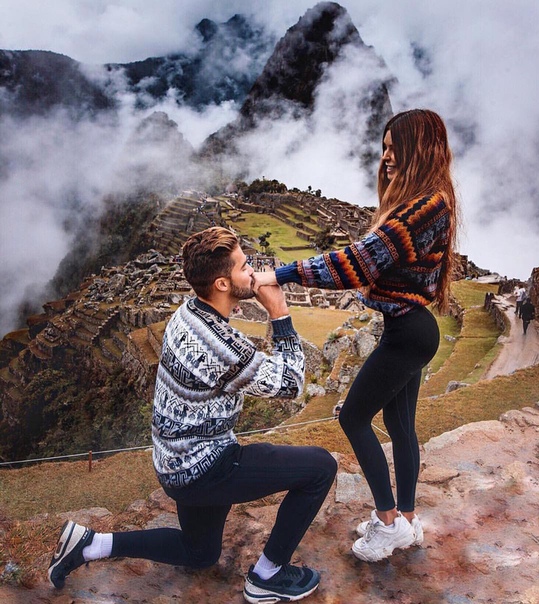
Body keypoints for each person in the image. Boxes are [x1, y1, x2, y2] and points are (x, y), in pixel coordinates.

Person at [48, 226, 337, 603]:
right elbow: (291, 383)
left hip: (176, 463)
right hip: (207, 466)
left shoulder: (187, 313)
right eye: (244, 266)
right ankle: (268, 575)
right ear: (222, 283)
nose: (253, 271)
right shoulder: (219, 345)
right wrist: (279, 313)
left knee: (199, 553)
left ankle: (89, 544)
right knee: (321, 468)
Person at [254, 109, 459, 563]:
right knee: (400, 427)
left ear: (419, 149)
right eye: (384, 148)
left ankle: (388, 522)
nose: (387, 157)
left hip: (407, 334)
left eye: (395, 148)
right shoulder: (433, 201)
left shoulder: (422, 209)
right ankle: (406, 519)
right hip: (412, 329)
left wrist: (281, 274)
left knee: (353, 418)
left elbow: (356, 264)